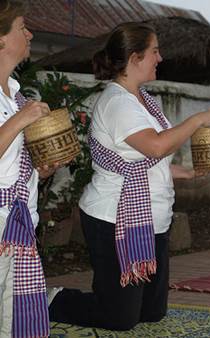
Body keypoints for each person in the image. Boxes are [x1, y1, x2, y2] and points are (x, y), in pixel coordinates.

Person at [48, 22, 210, 330]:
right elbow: (155, 147)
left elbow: (143, 161)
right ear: (134, 57)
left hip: (151, 219)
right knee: (119, 318)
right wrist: (196, 120)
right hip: (113, 217)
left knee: (151, 313)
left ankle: (114, 297)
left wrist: (186, 172)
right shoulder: (117, 102)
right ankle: (52, 299)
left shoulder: (144, 100)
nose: (160, 57)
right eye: (154, 51)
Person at [0, 1, 59, 337]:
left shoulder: (16, 95)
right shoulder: (21, 107)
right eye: (22, 27)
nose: (30, 33)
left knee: (11, 320)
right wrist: (25, 118)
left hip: (18, 222)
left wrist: (41, 170)